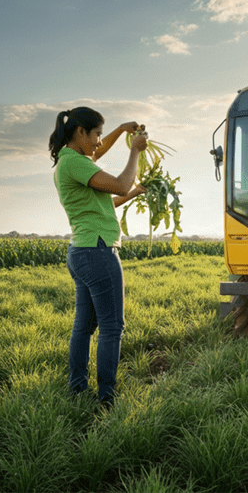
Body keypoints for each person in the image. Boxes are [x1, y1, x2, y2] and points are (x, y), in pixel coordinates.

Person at [48, 106, 147, 408]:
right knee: (112, 327)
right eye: (97, 135)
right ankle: (107, 398)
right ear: (80, 133)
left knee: (85, 327)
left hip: (83, 251)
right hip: (98, 251)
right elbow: (119, 183)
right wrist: (135, 152)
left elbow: (106, 201)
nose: (99, 142)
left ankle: (78, 389)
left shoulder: (70, 162)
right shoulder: (75, 164)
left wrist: (118, 130)